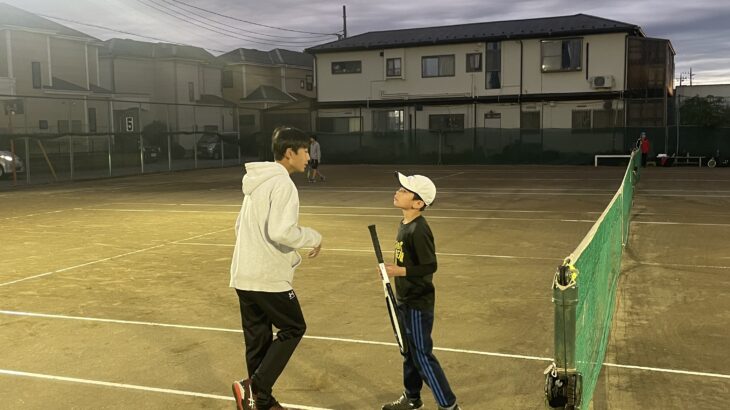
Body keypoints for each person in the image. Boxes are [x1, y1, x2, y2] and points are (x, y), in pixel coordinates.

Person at [230, 126, 323, 410]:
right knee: (294, 327)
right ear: (289, 153)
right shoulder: (283, 184)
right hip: (268, 277)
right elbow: (282, 231)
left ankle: (261, 402)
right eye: (305, 150)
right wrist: (313, 237)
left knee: (258, 338)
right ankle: (255, 387)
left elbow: (238, 226)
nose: (308, 156)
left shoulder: (256, 183)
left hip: (244, 274)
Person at [380, 172, 460, 410]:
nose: (398, 192)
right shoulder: (404, 224)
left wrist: (399, 272)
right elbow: (405, 261)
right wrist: (391, 270)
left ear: (418, 203)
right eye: (400, 188)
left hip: (417, 302)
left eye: (404, 191)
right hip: (404, 298)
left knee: (422, 355)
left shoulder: (419, 230)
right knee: (408, 352)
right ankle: (412, 398)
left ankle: (449, 405)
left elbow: (430, 266)